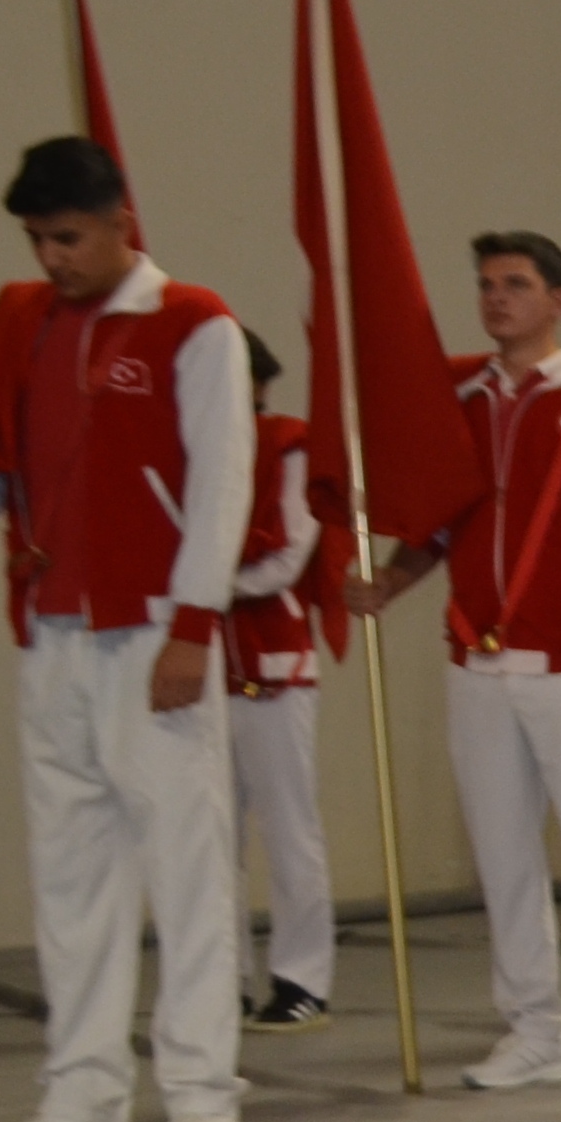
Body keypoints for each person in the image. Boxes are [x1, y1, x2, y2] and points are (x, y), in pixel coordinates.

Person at [0, 137, 253, 1122]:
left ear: (123, 221)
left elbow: (220, 484)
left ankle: (204, 1095)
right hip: (53, 630)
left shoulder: (193, 323)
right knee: (70, 875)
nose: (51, 258)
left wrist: (194, 626)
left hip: (153, 628)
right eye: (37, 239)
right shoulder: (22, 322)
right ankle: (78, 1100)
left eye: (67, 237)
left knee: (185, 865)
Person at [352, 228, 561, 1099]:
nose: (497, 299)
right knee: (503, 854)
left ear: (558, 300)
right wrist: (389, 583)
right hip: (477, 664)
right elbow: (440, 524)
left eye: (516, 284)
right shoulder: (461, 399)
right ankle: (536, 1028)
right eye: (487, 284)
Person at [224, 339, 338, 1035]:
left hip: (273, 668)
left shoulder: (288, 445)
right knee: (209, 835)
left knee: (289, 826)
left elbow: (284, 560)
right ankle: (222, 976)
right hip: (200, 667)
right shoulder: (182, 447)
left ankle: (302, 979)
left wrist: (190, 591)